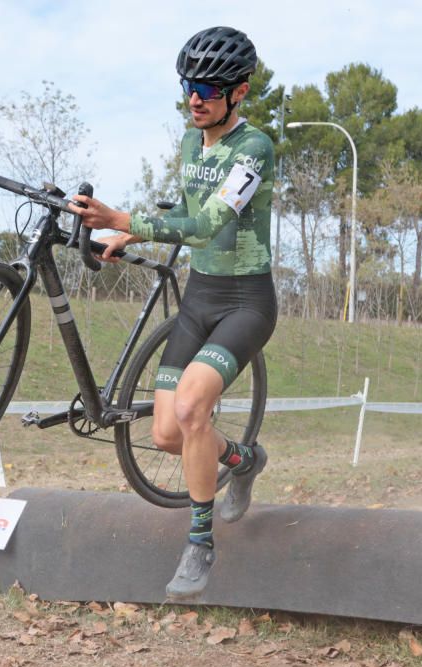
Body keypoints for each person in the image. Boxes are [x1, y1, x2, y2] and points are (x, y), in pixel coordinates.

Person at [71, 26, 276, 599]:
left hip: (246, 303)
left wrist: (124, 220)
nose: (194, 97)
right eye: (188, 84)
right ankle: (244, 457)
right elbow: (188, 217)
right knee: (166, 435)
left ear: (239, 92)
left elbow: (213, 223)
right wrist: (133, 240)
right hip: (199, 298)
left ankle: (200, 542)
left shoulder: (254, 148)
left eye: (208, 87)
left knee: (189, 409)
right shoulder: (191, 144)